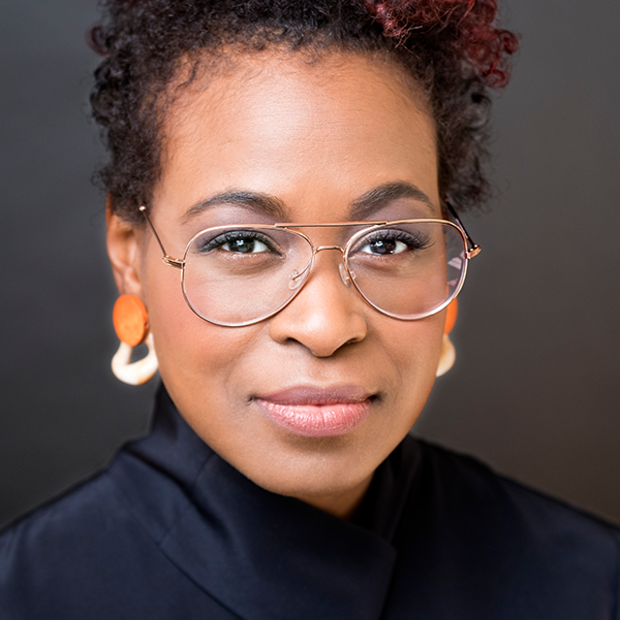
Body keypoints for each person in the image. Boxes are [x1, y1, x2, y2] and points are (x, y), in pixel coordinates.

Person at [1, 1, 618, 618]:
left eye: (388, 242)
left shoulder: (591, 585)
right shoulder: (26, 595)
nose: (326, 327)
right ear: (130, 255)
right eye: (242, 242)